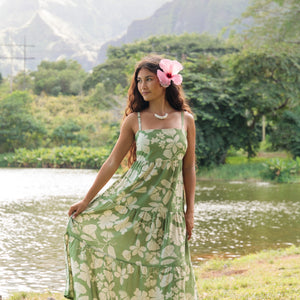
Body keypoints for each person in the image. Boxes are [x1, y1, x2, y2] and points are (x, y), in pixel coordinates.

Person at [64, 55, 198, 299]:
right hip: (134, 203)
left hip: (170, 211)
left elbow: (188, 168)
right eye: (139, 81)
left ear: (165, 81)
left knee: (172, 267)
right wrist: (86, 201)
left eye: (148, 79)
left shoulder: (185, 120)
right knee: (136, 264)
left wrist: (189, 211)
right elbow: (113, 162)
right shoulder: (134, 120)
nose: (143, 86)